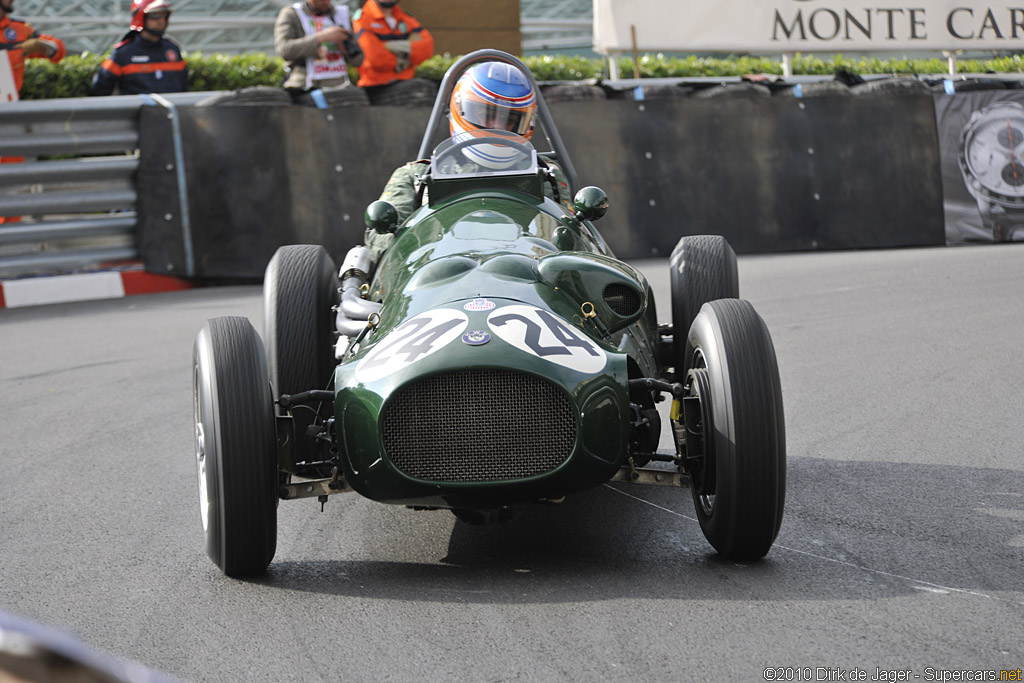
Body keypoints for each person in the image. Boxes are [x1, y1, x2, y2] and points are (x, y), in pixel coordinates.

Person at [365, 61, 570, 265]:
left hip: (524, 274)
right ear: (460, 108)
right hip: (437, 277)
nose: (497, 127)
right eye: (487, 115)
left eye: (510, 120)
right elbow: (381, 244)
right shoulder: (415, 175)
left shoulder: (546, 173)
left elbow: (571, 239)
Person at [0, 0, 65, 223]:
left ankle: (11, 247)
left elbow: (57, 50)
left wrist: (42, 46)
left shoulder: (19, 30)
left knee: (12, 191)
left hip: (8, 124)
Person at [89, 0, 187, 96]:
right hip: (136, 111)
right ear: (140, 17)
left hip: (171, 111)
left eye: (164, 16)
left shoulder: (172, 50)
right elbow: (100, 90)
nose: (161, 21)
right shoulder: (123, 53)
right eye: (155, 16)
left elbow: (183, 88)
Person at [274, 0, 363, 94]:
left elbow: (359, 60)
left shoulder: (342, 15)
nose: (325, 2)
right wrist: (321, 37)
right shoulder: (292, 13)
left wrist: (346, 49)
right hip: (303, 85)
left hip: (339, 85)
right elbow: (284, 50)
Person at [352, 0, 433, 92]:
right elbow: (374, 58)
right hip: (375, 87)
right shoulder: (363, 19)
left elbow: (427, 49)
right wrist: (407, 55)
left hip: (407, 83)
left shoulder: (405, 18)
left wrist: (390, 46)